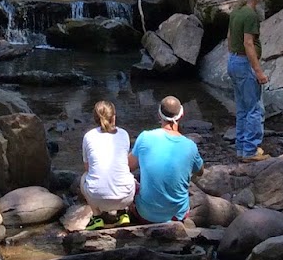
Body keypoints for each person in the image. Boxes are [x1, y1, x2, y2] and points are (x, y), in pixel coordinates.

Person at [129, 96, 204, 224]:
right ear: (182, 115)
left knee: (131, 181)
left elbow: (127, 167)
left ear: (159, 115)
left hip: (145, 215)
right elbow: (200, 172)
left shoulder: (145, 137)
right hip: (178, 216)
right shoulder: (190, 146)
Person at [227, 0, 270, 161]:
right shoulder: (251, 15)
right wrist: (258, 71)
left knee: (243, 108)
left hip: (233, 61)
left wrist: (232, 57)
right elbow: (248, 43)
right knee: (254, 109)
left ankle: (242, 148)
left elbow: (229, 37)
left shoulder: (236, 12)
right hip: (245, 64)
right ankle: (251, 150)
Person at [79, 100, 135, 226]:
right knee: (127, 174)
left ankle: (97, 217)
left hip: (97, 198)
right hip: (125, 197)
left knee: (84, 177)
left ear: (95, 118)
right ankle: (123, 213)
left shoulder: (88, 136)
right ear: (114, 117)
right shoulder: (124, 134)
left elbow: (87, 168)